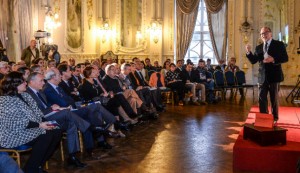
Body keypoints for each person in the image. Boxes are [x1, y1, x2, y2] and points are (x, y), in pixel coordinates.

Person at [0, 71, 62, 173]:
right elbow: (16, 123)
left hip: (29, 128)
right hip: (12, 134)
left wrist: (47, 123)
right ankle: (31, 169)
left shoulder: (25, 95)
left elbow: (38, 114)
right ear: (14, 84)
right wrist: (40, 125)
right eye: (23, 82)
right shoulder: (5, 100)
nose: (26, 83)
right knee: (46, 135)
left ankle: (38, 165)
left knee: (57, 131)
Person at [245, 26, 288, 122]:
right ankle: (264, 118)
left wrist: (273, 59)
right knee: (262, 99)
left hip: (274, 76)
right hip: (262, 77)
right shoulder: (259, 47)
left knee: (274, 99)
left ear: (270, 33)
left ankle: (274, 118)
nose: (263, 35)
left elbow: (285, 58)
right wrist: (248, 52)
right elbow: (254, 61)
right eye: (261, 34)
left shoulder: (279, 44)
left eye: (265, 33)